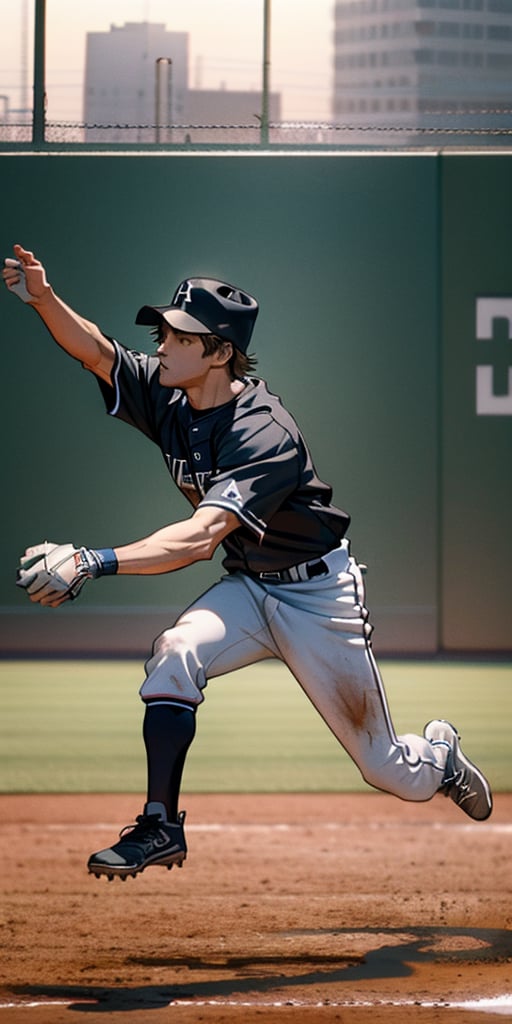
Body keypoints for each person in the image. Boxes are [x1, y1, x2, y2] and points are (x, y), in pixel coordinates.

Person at [3, 244, 492, 882]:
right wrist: (43, 298)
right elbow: (95, 348)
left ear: (219, 351)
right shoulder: (170, 395)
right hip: (251, 589)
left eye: (180, 337)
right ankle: (159, 826)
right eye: (163, 332)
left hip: (318, 597)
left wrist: (95, 561)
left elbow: (201, 537)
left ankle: (441, 755)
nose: (161, 346)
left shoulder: (264, 432)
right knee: (175, 651)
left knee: (388, 771)